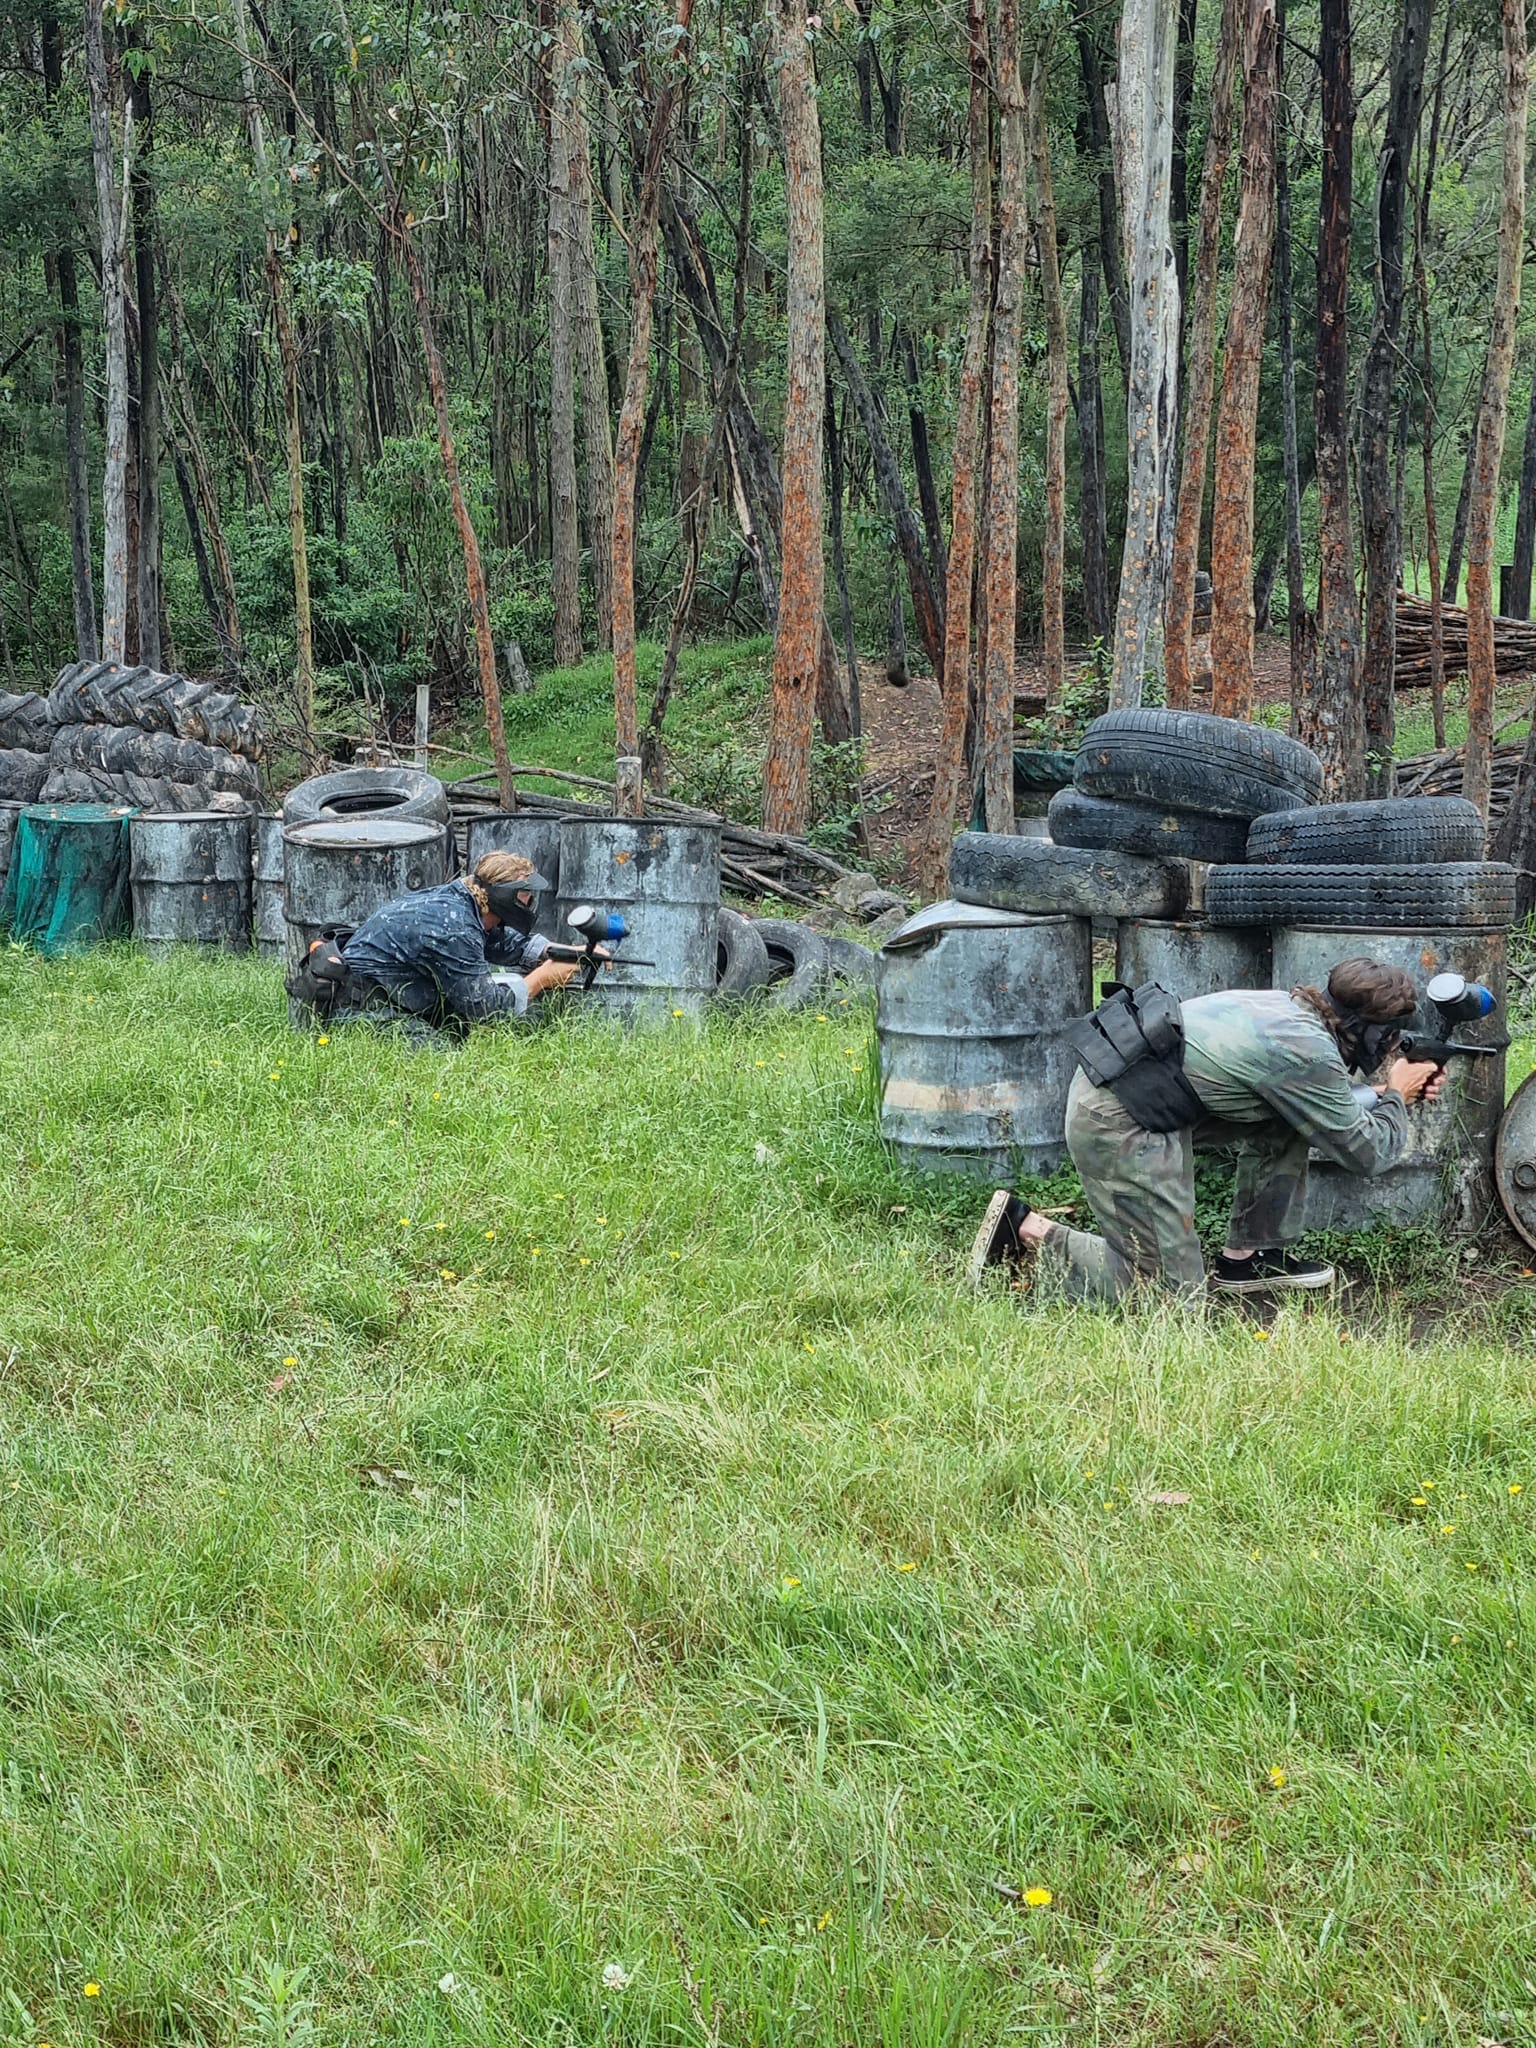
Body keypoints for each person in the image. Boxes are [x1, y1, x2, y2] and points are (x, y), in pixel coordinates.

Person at [968, 957, 1448, 1301]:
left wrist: (1386, 1091)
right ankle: (1025, 1232)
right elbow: (1368, 1153)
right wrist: (1398, 1097)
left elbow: (1317, 1103)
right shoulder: (1308, 1053)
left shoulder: (1291, 1009)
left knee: (1288, 1120)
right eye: (1386, 1039)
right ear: (1366, 1030)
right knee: (1170, 1299)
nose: (1388, 1049)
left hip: (1136, 1094)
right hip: (1120, 1121)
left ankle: (1249, 1257)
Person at [330, 849, 582, 1036]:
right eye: (525, 895)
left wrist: (558, 952)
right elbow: (485, 1007)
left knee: (456, 1031)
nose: (529, 903)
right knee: (439, 1061)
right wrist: (543, 977)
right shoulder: (455, 927)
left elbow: (495, 941)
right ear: (505, 898)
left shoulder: (463, 902)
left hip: (386, 994)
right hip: (360, 1010)